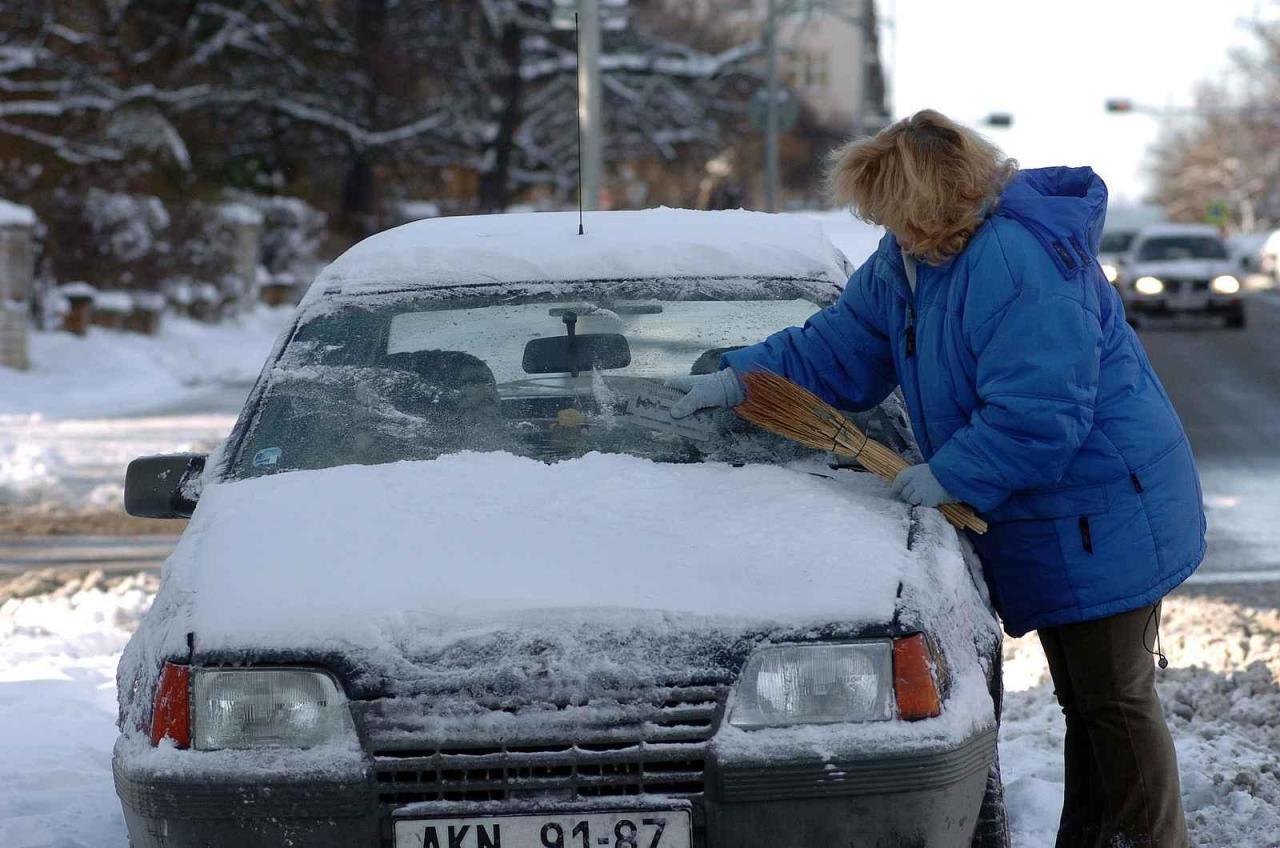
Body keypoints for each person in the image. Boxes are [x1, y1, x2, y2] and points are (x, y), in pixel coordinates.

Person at [669, 110, 1204, 848]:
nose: (884, 226)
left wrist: (949, 473)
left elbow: (1042, 414)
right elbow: (840, 345)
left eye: (892, 210)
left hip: (1105, 506)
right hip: (1050, 512)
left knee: (1113, 697)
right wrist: (741, 379)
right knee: (1088, 700)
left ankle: (1150, 840)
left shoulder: (1020, 262)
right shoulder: (911, 260)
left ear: (933, 201)